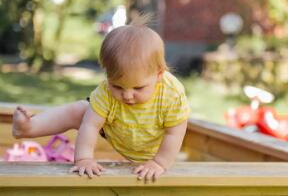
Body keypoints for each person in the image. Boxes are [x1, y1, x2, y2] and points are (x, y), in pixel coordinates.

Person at [12, 16, 190, 181]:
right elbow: (90, 125)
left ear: (159, 75)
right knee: (81, 110)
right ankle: (29, 127)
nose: (127, 95)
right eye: (117, 86)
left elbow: (174, 133)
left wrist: (159, 163)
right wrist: (83, 159)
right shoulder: (105, 92)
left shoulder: (171, 94)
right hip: (118, 128)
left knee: (165, 144)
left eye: (138, 88)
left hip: (153, 145)